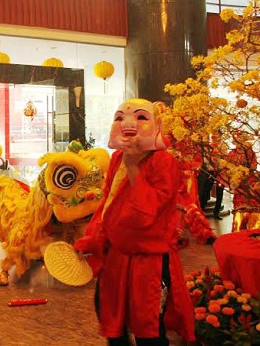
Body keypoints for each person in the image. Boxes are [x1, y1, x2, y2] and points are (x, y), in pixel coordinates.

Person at [74, 98, 195, 345]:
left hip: (148, 260)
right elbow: (107, 204)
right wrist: (93, 239)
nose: (128, 122)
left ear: (156, 125)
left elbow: (148, 212)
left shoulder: (164, 162)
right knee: (112, 325)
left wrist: (133, 168)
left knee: (148, 328)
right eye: (120, 117)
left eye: (141, 117)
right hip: (115, 257)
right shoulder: (117, 158)